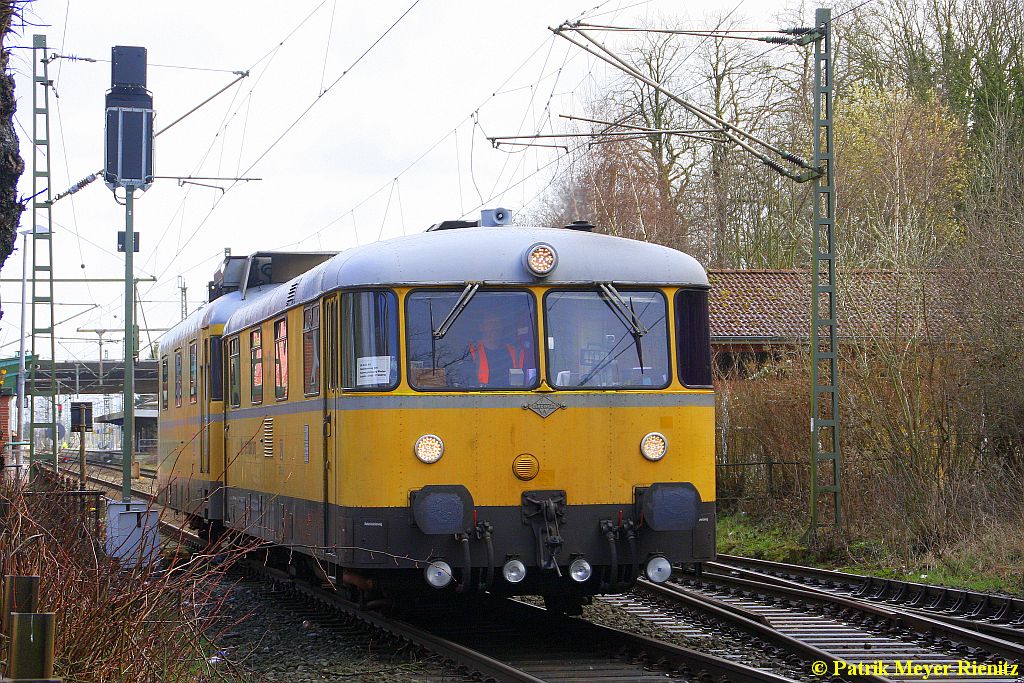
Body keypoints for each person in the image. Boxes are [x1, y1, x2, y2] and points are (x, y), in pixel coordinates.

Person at [467, 310, 528, 387]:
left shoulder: (515, 352)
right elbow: (466, 381)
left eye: (497, 323)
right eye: (490, 323)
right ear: (481, 327)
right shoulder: (470, 352)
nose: (494, 327)